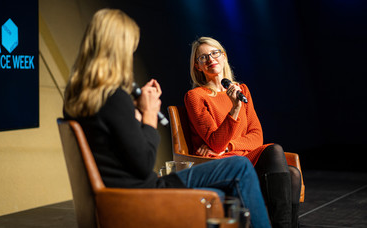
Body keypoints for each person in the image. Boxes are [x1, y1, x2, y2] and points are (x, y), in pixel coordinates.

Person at [63, 9, 270, 228]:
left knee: (217, 194)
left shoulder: (78, 97)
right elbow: (144, 164)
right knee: (238, 166)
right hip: (141, 189)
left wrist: (132, 115)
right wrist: (149, 115)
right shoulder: (114, 98)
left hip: (120, 186)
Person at [184, 36, 302, 228]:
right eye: (203, 57)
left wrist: (230, 145)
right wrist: (235, 109)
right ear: (197, 66)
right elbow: (215, 144)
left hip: (245, 156)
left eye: (214, 53)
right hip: (223, 163)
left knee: (292, 173)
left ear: (224, 57)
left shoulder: (242, 90)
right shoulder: (195, 97)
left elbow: (257, 136)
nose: (210, 59)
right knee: (276, 154)